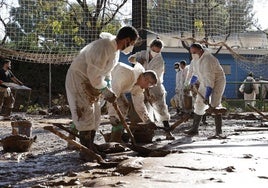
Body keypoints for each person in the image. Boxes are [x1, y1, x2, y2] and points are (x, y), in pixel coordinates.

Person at [65, 26, 139, 160]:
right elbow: (94, 75)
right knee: (85, 115)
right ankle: (86, 152)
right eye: (132, 43)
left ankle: (90, 147)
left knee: (96, 116)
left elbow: (107, 72)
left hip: (92, 81)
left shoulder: (115, 51)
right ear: (127, 39)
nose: (131, 47)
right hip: (80, 79)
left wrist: (108, 84)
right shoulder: (103, 47)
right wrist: (104, 89)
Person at [128, 38, 174, 140]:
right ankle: (144, 132)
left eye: (158, 51)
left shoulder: (160, 61)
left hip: (154, 85)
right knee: (141, 107)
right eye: (154, 50)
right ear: (151, 47)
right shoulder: (143, 53)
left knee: (161, 108)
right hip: (141, 83)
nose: (156, 53)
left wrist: (149, 94)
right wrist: (136, 59)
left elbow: (152, 79)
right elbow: (130, 58)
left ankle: (168, 132)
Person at [107, 62, 158, 142]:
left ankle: (116, 137)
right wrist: (112, 115)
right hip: (103, 84)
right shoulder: (125, 74)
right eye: (149, 85)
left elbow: (139, 104)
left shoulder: (139, 85)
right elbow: (113, 93)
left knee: (125, 106)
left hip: (116, 90)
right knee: (96, 111)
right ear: (145, 79)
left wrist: (147, 121)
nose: (148, 87)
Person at [184, 43, 226, 137]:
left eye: (194, 52)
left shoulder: (208, 60)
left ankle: (218, 132)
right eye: (191, 52)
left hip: (218, 81)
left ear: (200, 50)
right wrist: (191, 83)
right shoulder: (195, 60)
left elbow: (210, 81)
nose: (193, 54)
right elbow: (195, 74)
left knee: (215, 104)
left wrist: (207, 96)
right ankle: (194, 129)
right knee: (199, 102)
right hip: (205, 81)